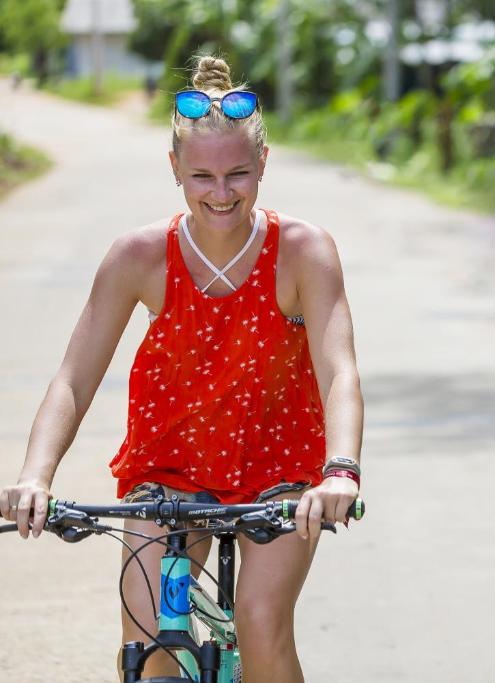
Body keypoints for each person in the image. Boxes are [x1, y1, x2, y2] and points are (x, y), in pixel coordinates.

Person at [0, 55, 364, 683]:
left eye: (238, 174)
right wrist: (35, 477)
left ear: (264, 164)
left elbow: (339, 372)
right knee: (151, 635)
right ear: (173, 169)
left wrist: (340, 471)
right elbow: (73, 378)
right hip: (169, 472)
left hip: (280, 475)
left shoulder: (303, 251)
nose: (220, 193)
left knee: (259, 620)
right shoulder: (139, 255)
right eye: (201, 175)